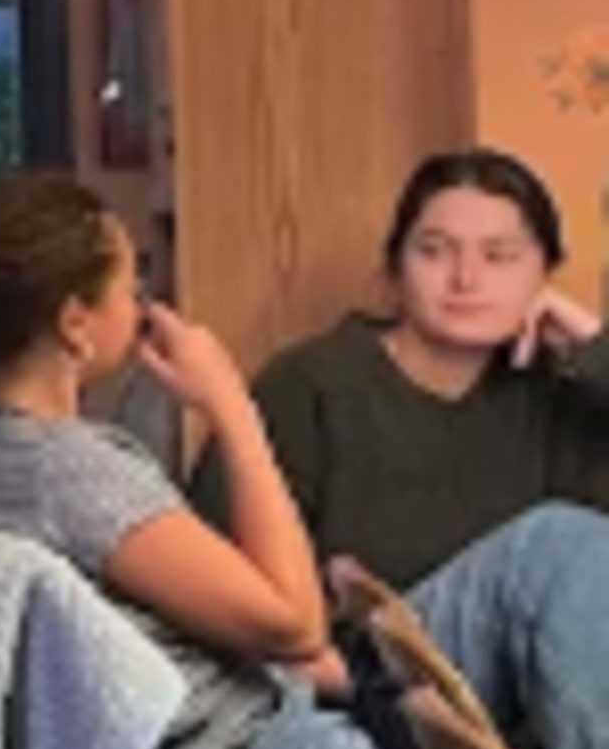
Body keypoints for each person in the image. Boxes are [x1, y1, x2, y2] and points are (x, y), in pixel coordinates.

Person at [0, 171, 609, 749]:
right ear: (75, 323)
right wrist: (230, 404)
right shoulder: (69, 473)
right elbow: (294, 626)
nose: (145, 305)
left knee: (558, 545)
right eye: (131, 287)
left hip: (258, 747)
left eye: (501, 255)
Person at [217, 148, 609, 586]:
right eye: (434, 252)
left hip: (536, 630)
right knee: (555, 538)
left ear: (545, 274)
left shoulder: (560, 393)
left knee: (566, 541)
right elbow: (218, 569)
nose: (465, 279)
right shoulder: (310, 385)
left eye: (499, 256)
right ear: (396, 267)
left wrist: (597, 347)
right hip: (357, 628)